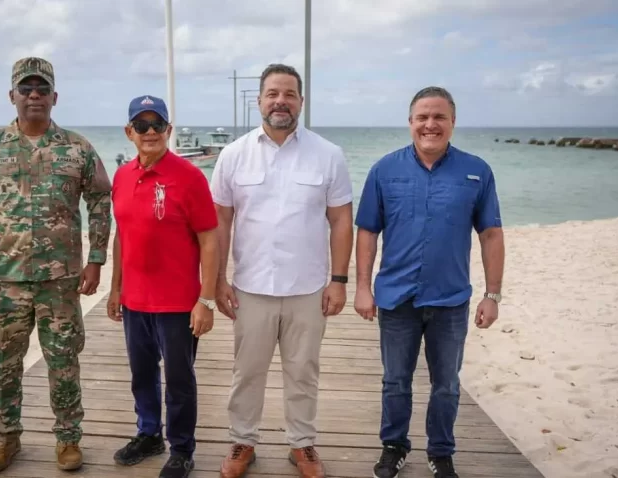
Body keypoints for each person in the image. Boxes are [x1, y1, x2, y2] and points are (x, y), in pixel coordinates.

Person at [0, 56, 112, 473]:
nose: (34, 95)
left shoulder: (77, 148)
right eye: (27, 89)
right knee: (3, 366)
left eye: (42, 89)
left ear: (55, 97)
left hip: (61, 283)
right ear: (13, 96)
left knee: (64, 364)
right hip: (5, 282)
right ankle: (5, 440)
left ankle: (68, 441)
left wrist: (96, 259)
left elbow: (99, 202)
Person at [353, 86, 505, 478]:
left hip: (450, 299)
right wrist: (362, 287)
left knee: (447, 385)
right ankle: (394, 446)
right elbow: (367, 231)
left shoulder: (477, 172)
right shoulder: (384, 170)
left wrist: (492, 295)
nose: (430, 124)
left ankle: (441, 453)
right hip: (396, 298)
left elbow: (491, 234)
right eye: (422, 117)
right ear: (410, 123)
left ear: (453, 123)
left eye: (439, 117)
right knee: (395, 381)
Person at [211, 64, 354, 478]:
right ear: (259, 101)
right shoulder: (234, 154)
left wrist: (339, 281)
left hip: (308, 288)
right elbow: (220, 221)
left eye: (289, 94)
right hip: (250, 287)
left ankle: (302, 445)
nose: (280, 101)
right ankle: (243, 441)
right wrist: (218, 279)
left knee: (303, 371)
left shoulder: (328, 155)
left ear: (301, 102)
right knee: (247, 371)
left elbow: (341, 220)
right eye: (272, 93)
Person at [106, 94, 220, 478]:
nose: (150, 131)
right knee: (141, 374)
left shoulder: (189, 178)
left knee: (179, 379)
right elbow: (122, 234)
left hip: (177, 302)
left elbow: (210, 239)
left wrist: (206, 299)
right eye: (142, 125)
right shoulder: (122, 177)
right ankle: (149, 433)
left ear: (169, 130)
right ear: (129, 132)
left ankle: (182, 449)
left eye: (158, 125)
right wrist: (115, 287)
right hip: (135, 301)